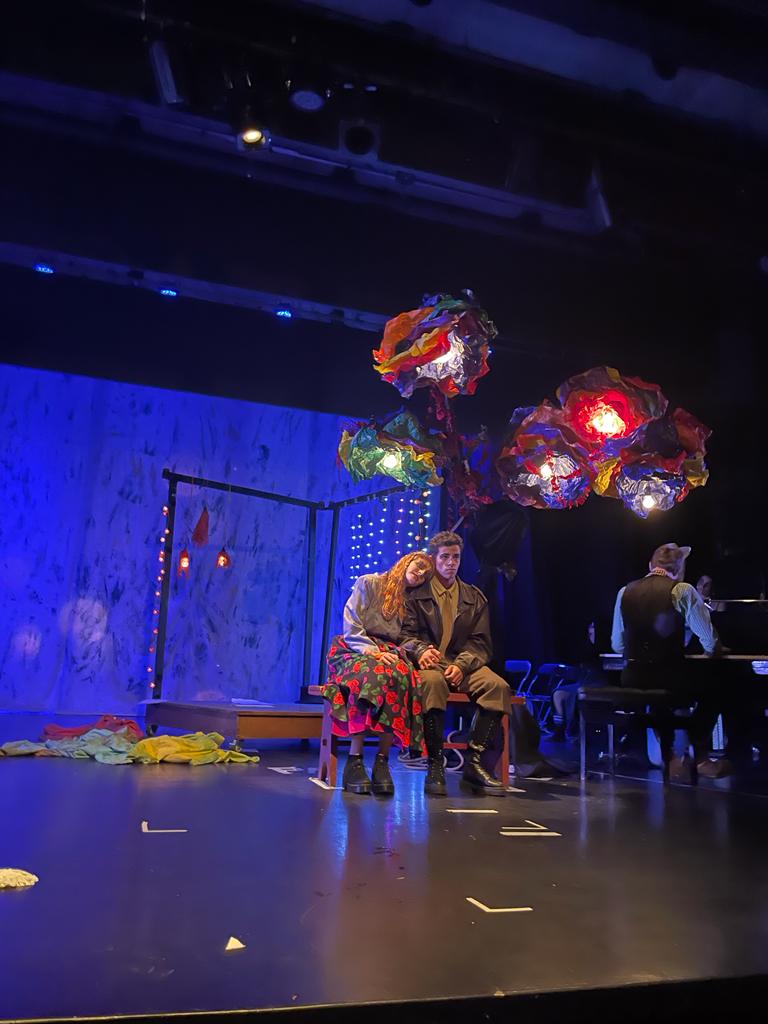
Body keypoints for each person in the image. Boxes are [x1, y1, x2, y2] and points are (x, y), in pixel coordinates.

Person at [400, 531, 511, 796]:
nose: (451, 563)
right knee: (432, 683)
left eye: (456, 557)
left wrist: (462, 665)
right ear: (433, 559)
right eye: (445, 557)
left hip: (461, 664)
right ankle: (435, 764)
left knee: (497, 687)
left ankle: (474, 764)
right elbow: (403, 635)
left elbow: (481, 642)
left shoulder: (473, 597)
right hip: (429, 664)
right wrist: (420, 650)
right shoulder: (415, 596)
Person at [611, 542, 731, 780]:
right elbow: (709, 642)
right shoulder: (682, 590)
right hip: (670, 678)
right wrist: (714, 649)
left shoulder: (625, 592)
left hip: (632, 678)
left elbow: (617, 645)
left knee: (661, 697)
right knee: (717, 689)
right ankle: (700, 757)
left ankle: (672, 756)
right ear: (679, 569)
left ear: (650, 566)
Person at [324, 552, 433, 796]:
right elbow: (352, 624)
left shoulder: (408, 602)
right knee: (371, 675)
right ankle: (355, 759)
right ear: (406, 562)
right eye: (419, 567)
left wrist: (420, 650)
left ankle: (382, 761)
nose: (420, 574)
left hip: (388, 650)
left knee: (401, 675)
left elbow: (404, 638)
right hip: (354, 647)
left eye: (425, 575)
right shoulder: (369, 582)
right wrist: (373, 652)